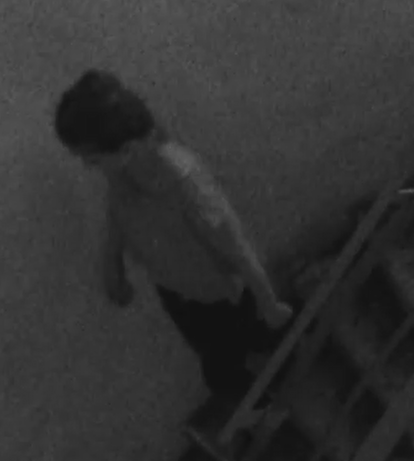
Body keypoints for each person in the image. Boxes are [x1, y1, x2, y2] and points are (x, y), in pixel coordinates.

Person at [54, 70, 293, 399]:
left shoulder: (184, 183)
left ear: (128, 150)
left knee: (234, 357)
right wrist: (113, 265)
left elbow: (235, 245)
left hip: (222, 297)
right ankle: (257, 391)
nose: (87, 167)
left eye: (92, 160)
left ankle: (272, 386)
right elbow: (118, 214)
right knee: (220, 357)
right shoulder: (122, 176)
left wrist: (269, 302)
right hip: (179, 294)